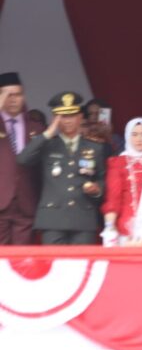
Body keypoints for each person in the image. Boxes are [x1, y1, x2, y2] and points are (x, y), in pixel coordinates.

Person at [17, 91, 106, 245]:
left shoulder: (95, 147)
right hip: (53, 218)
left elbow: (102, 179)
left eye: (72, 115)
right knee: (54, 260)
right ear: (55, 118)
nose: (68, 120)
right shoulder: (47, 144)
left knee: (82, 260)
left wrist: (97, 189)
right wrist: (47, 133)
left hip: (83, 218)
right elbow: (23, 159)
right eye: (63, 116)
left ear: (80, 117)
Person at [0, 73, 45, 245]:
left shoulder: (37, 128)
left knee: (23, 257)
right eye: (8, 95)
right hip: (1, 202)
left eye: (17, 94)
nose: (13, 100)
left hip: (27, 203)